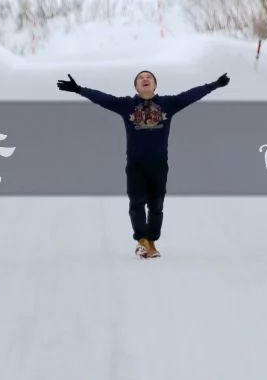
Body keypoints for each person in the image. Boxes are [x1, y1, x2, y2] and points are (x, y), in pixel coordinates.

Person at [56, 66, 230, 257]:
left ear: (155, 85)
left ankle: (152, 242)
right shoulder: (127, 105)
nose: (145, 78)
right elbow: (103, 99)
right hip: (135, 165)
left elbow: (190, 95)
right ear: (136, 87)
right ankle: (142, 241)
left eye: (149, 77)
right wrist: (79, 89)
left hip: (159, 165)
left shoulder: (168, 104)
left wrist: (214, 85)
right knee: (136, 203)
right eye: (141, 77)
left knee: (156, 206)